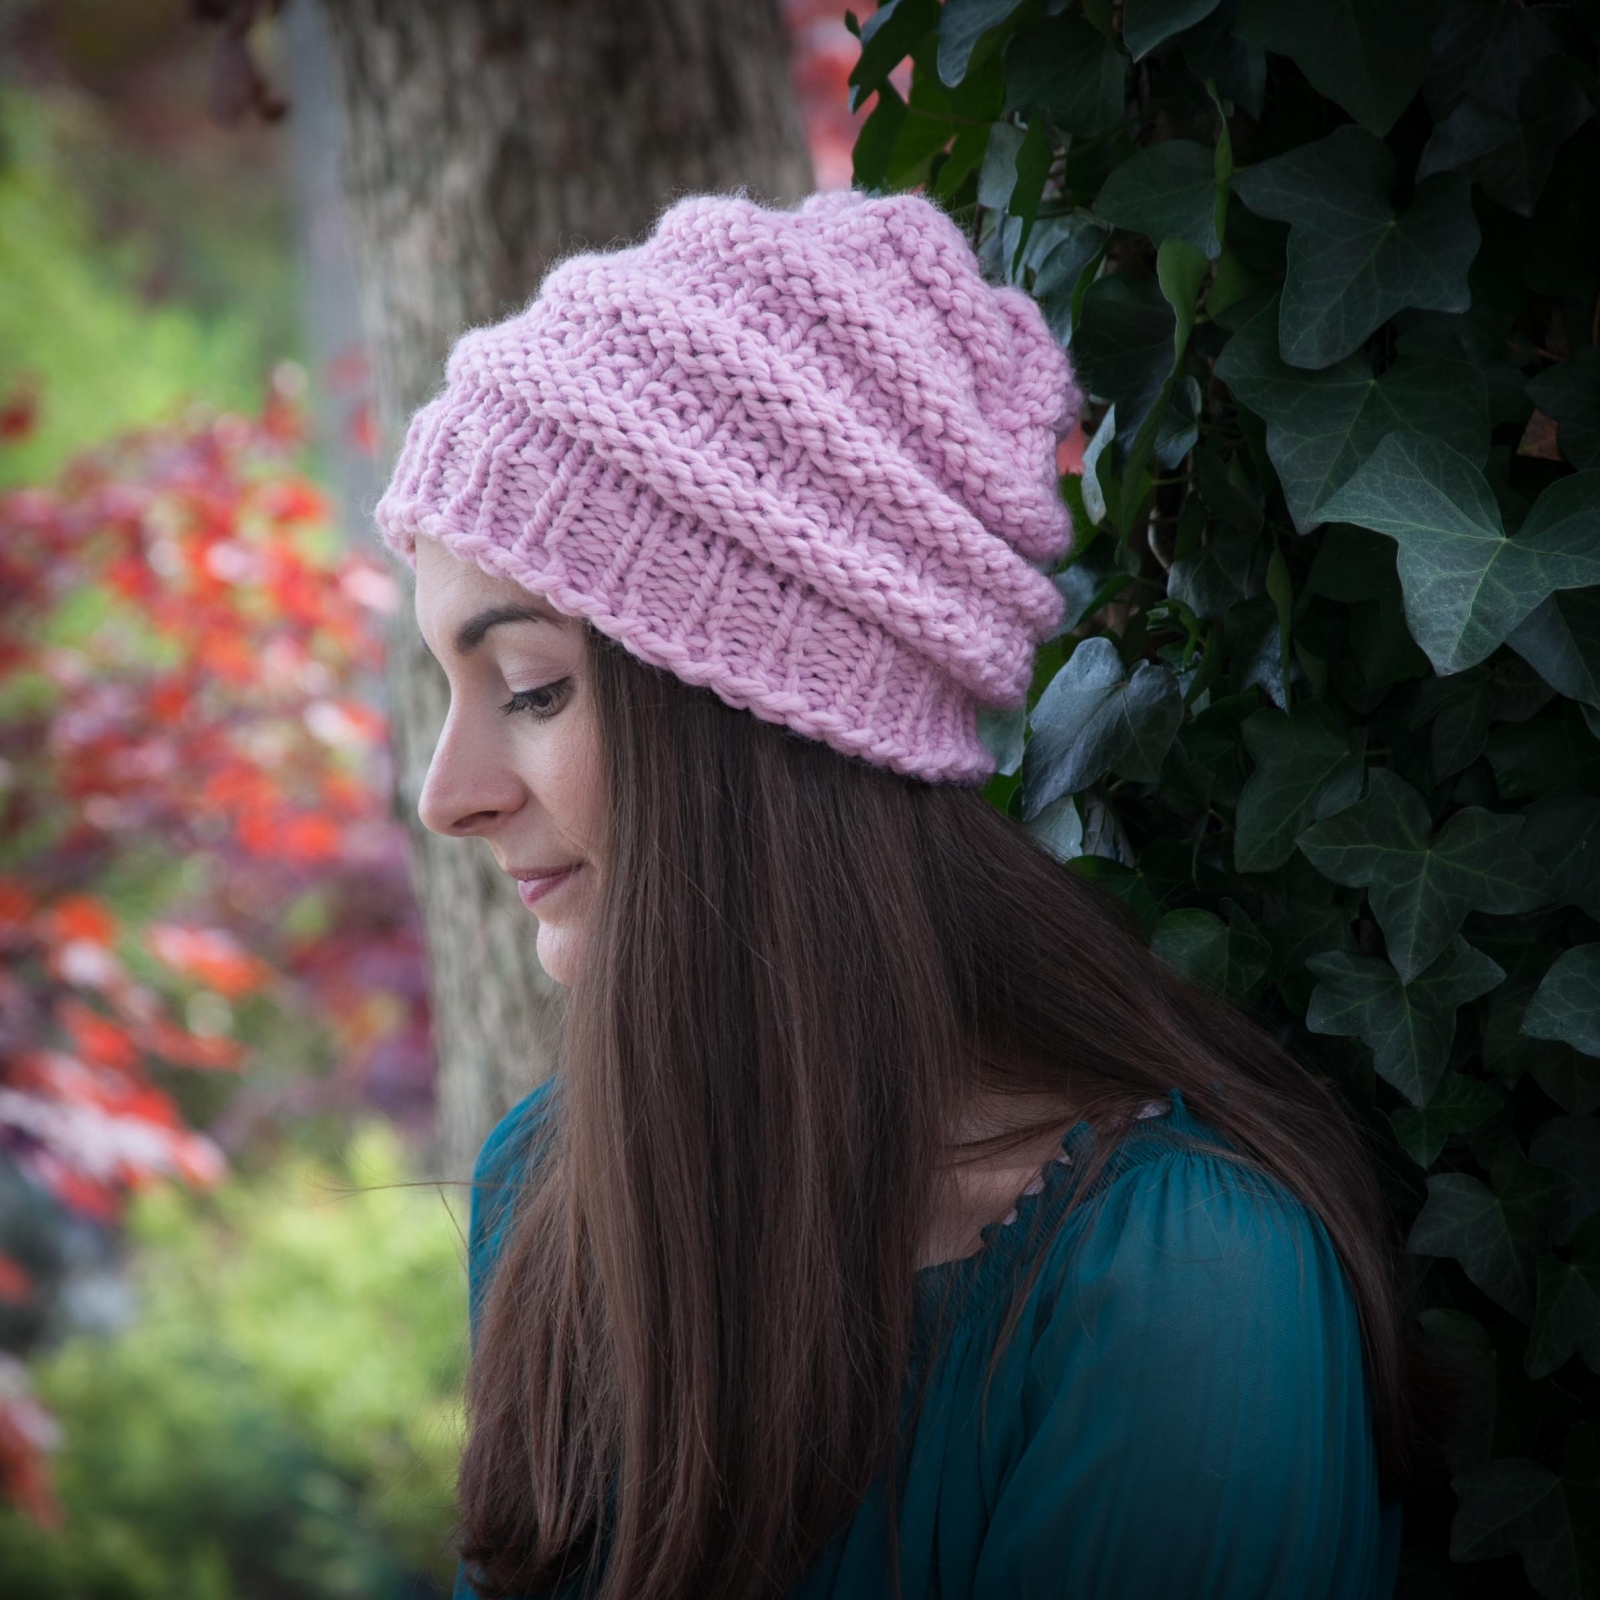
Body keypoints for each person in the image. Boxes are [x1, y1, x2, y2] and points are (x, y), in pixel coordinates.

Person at [373, 188, 1427, 1600]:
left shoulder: (1186, 1294)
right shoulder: (556, 1190)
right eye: (450, 690)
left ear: (770, 727)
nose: (449, 794)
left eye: (535, 688)